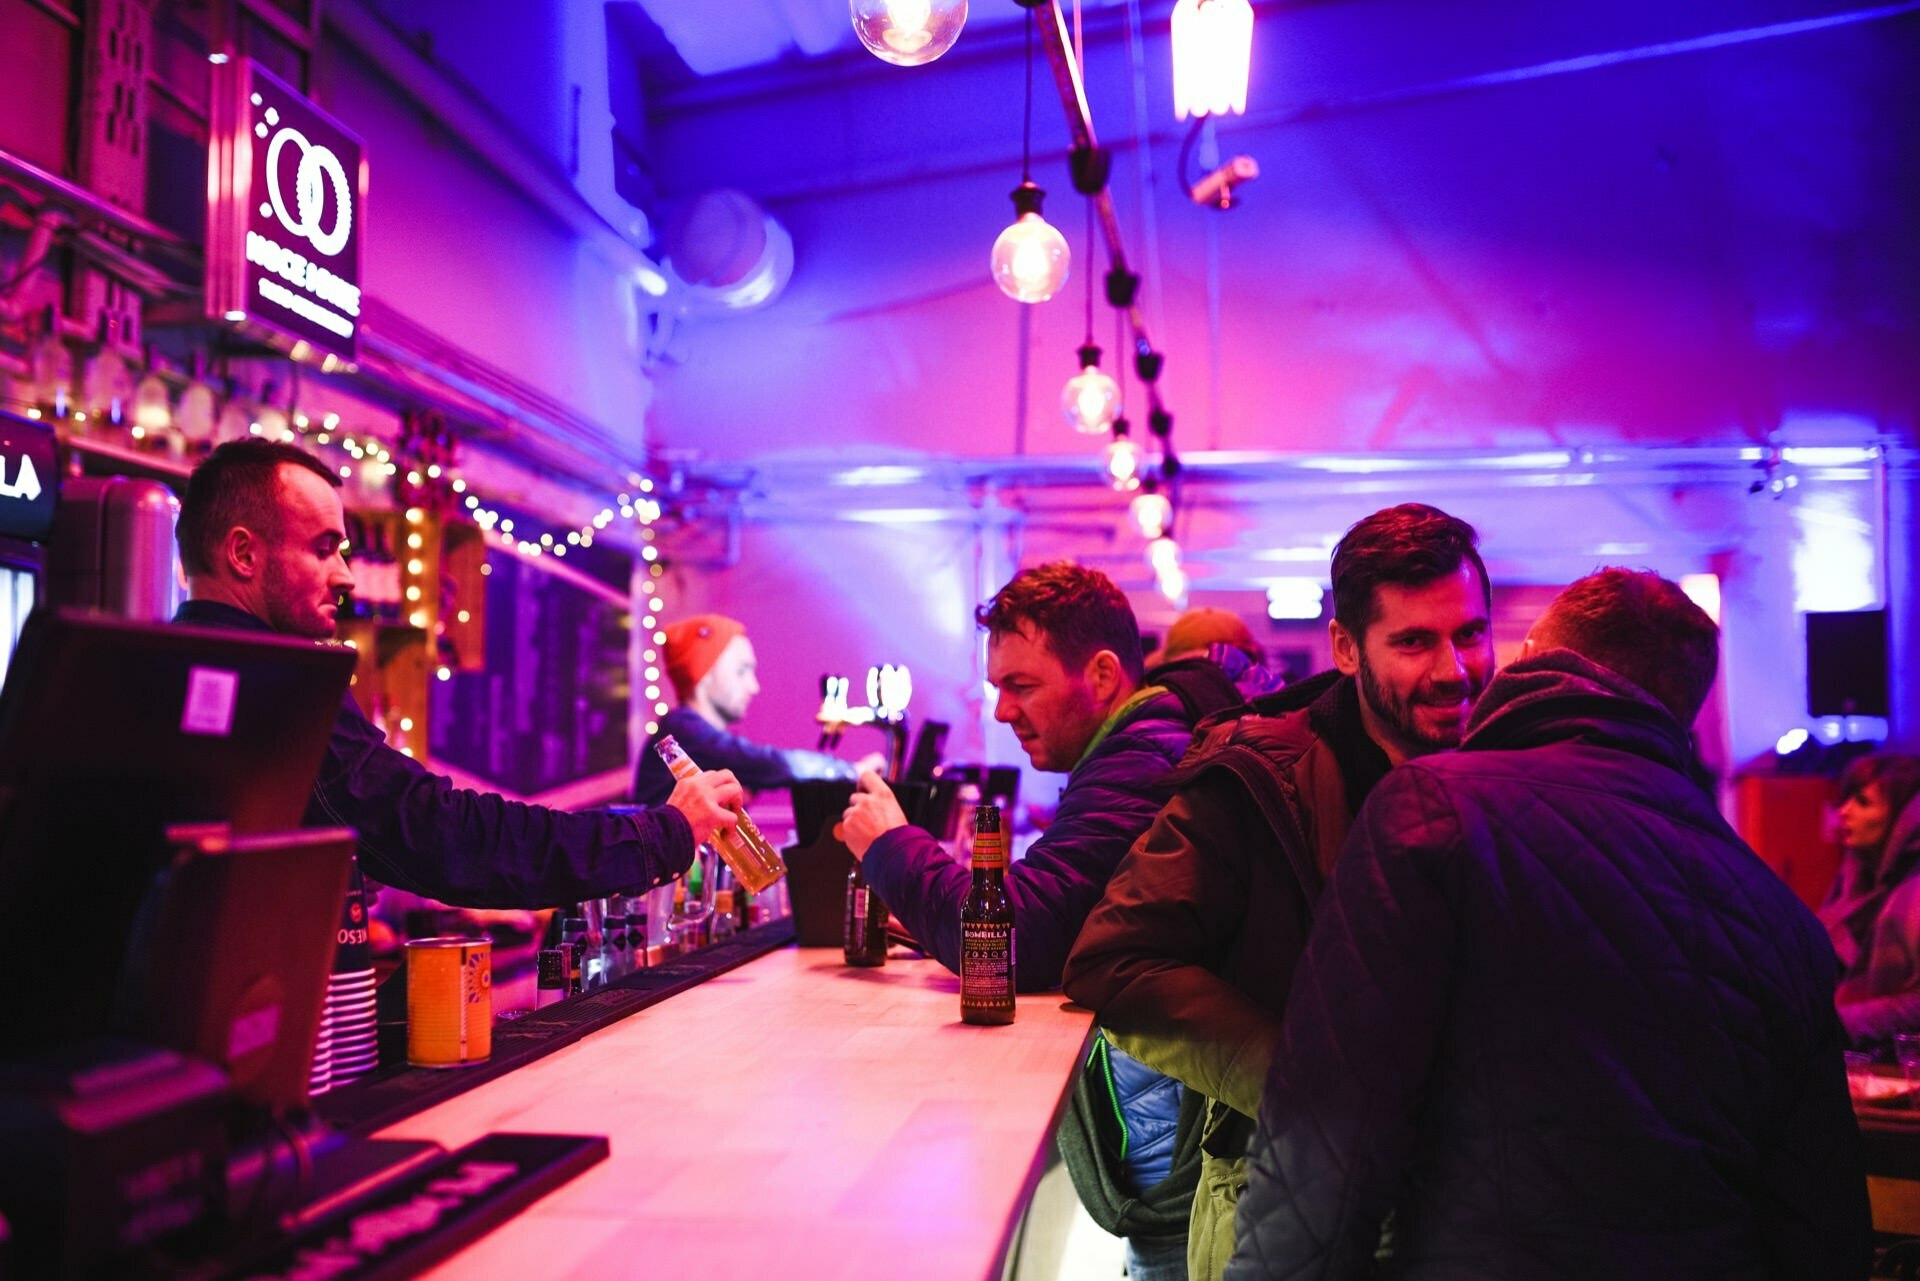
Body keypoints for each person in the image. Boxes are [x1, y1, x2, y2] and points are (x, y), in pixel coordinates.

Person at [1224, 568, 1872, 1280]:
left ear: (1530, 656)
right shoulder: (1779, 920)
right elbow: (1822, 1224)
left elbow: (1327, 1134)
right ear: (1681, 710)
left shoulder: (1430, 814)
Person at [1063, 502, 1494, 1281]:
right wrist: (1305, 1083)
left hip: (1472, 1208)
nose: (1454, 668)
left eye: (1468, 633)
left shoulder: (1514, 769)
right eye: (1414, 641)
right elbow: (1115, 962)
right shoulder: (1257, 782)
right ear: (1346, 648)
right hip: (1290, 1196)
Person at [838, 561, 1233, 1280]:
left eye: (1021, 686)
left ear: (1105, 675)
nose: (1001, 712)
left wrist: (892, 845)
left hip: (1186, 1158)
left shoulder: (1143, 762)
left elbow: (1016, 935)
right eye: (997, 688)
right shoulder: (1133, 752)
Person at [173, 439, 742, 908]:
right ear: (243, 555)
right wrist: (662, 832)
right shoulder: (278, 681)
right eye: (323, 550)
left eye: (345, 552)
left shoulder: (175, 664)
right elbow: (443, 833)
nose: (345, 577)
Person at [631, 614, 883, 806]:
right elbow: (771, 764)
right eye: (741, 671)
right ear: (704, 676)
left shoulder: (692, 735)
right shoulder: (683, 732)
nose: (754, 686)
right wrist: (849, 771)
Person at [1819, 752, 1920, 1045]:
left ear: (1904, 817)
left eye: (1862, 802)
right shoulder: (1854, 879)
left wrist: (1836, 1024)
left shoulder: (1913, 889)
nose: (1844, 811)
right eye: (1846, 798)